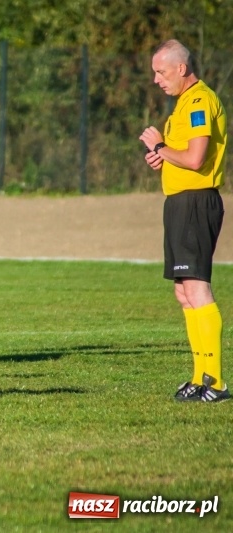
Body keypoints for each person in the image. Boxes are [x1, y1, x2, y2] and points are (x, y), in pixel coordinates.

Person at [139, 39, 229, 403]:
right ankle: (198, 377)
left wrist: (161, 147)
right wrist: (163, 157)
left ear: (181, 68)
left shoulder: (198, 101)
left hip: (195, 203)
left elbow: (195, 159)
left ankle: (216, 382)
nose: (157, 80)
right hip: (179, 204)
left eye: (161, 72)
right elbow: (184, 156)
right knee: (184, 293)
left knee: (197, 289)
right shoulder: (181, 106)